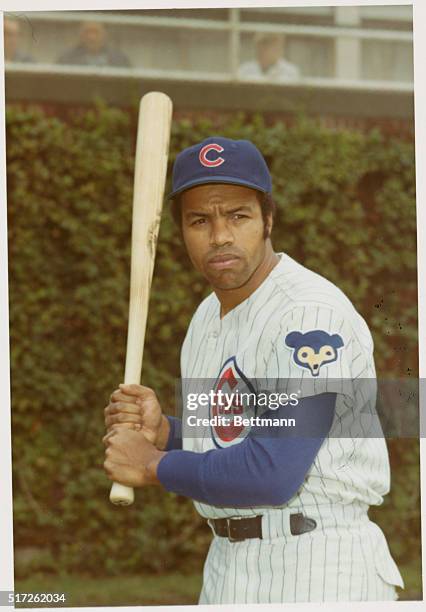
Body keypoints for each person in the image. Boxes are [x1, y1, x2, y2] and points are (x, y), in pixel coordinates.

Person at [103, 137, 404, 603]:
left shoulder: (308, 313)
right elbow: (233, 440)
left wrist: (153, 466)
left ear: (268, 220)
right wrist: (166, 432)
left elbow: (273, 471)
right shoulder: (206, 317)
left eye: (237, 216)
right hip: (227, 566)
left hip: (318, 566)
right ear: (181, 231)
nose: (219, 235)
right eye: (200, 220)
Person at [56, 21, 130, 68]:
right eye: (87, 32)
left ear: (105, 34)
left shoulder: (119, 59)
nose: (91, 37)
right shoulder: (67, 58)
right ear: (80, 35)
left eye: (96, 32)